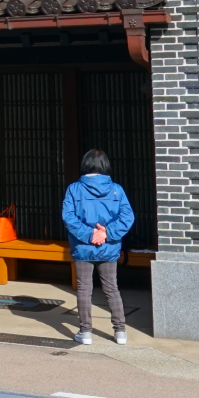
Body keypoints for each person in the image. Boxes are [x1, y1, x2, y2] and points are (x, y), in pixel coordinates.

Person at [62, 148, 135, 345]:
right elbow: (128, 217)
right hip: (108, 247)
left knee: (84, 289)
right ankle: (120, 332)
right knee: (112, 289)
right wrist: (106, 233)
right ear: (105, 165)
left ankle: (85, 332)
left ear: (85, 164)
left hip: (83, 247)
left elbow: (68, 217)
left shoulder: (74, 189)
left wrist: (89, 234)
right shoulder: (117, 189)